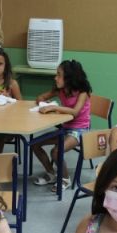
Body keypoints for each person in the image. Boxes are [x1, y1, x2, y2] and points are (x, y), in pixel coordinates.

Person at [32, 60, 92, 192]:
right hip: (65, 129)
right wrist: (44, 102)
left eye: (59, 75)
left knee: (56, 151)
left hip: (80, 130)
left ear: (69, 78)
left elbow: (75, 112)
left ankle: (65, 179)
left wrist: (54, 107)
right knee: (34, 144)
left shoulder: (82, 92)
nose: (55, 78)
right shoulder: (61, 90)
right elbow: (40, 97)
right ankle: (51, 174)